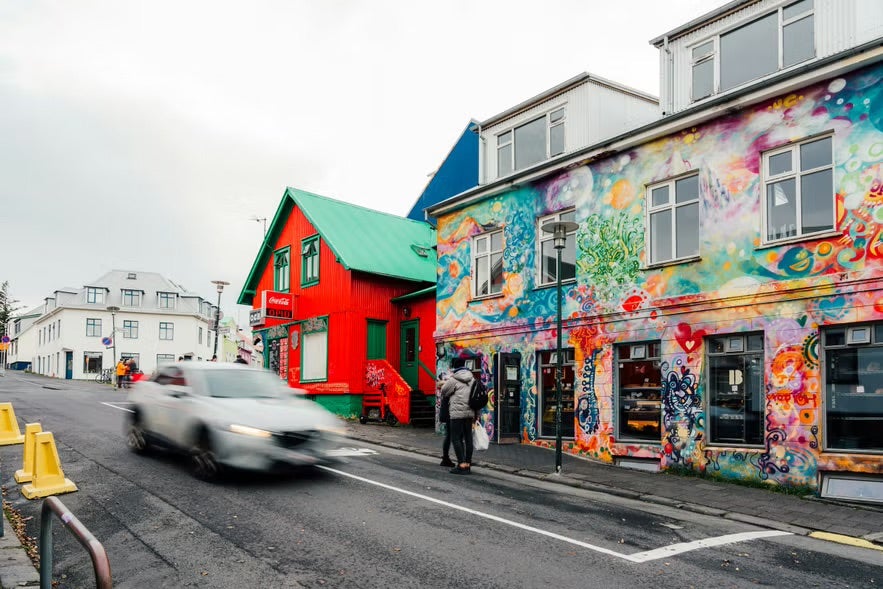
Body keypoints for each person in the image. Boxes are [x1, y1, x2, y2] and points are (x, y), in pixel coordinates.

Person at [440, 357, 476, 475]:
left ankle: (461, 465)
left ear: (455, 367)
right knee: (468, 438)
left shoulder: (454, 379)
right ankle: (468, 464)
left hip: (456, 414)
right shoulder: (472, 378)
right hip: (470, 412)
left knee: (456, 438)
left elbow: (444, 391)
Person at [437, 372, 454, 467]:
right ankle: (462, 460)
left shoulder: (444, 389)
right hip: (451, 414)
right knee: (454, 437)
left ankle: (445, 457)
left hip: (447, 414)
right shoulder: (450, 389)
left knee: (449, 436)